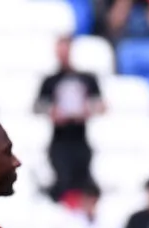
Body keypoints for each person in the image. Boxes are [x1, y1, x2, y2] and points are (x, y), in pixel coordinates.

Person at [35, 36, 104, 201]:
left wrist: (87, 110)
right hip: (60, 139)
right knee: (62, 180)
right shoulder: (50, 80)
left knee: (82, 181)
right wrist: (52, 111)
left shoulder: (87, 78)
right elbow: (37, 106)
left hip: (81, 138)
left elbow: (101, 105)